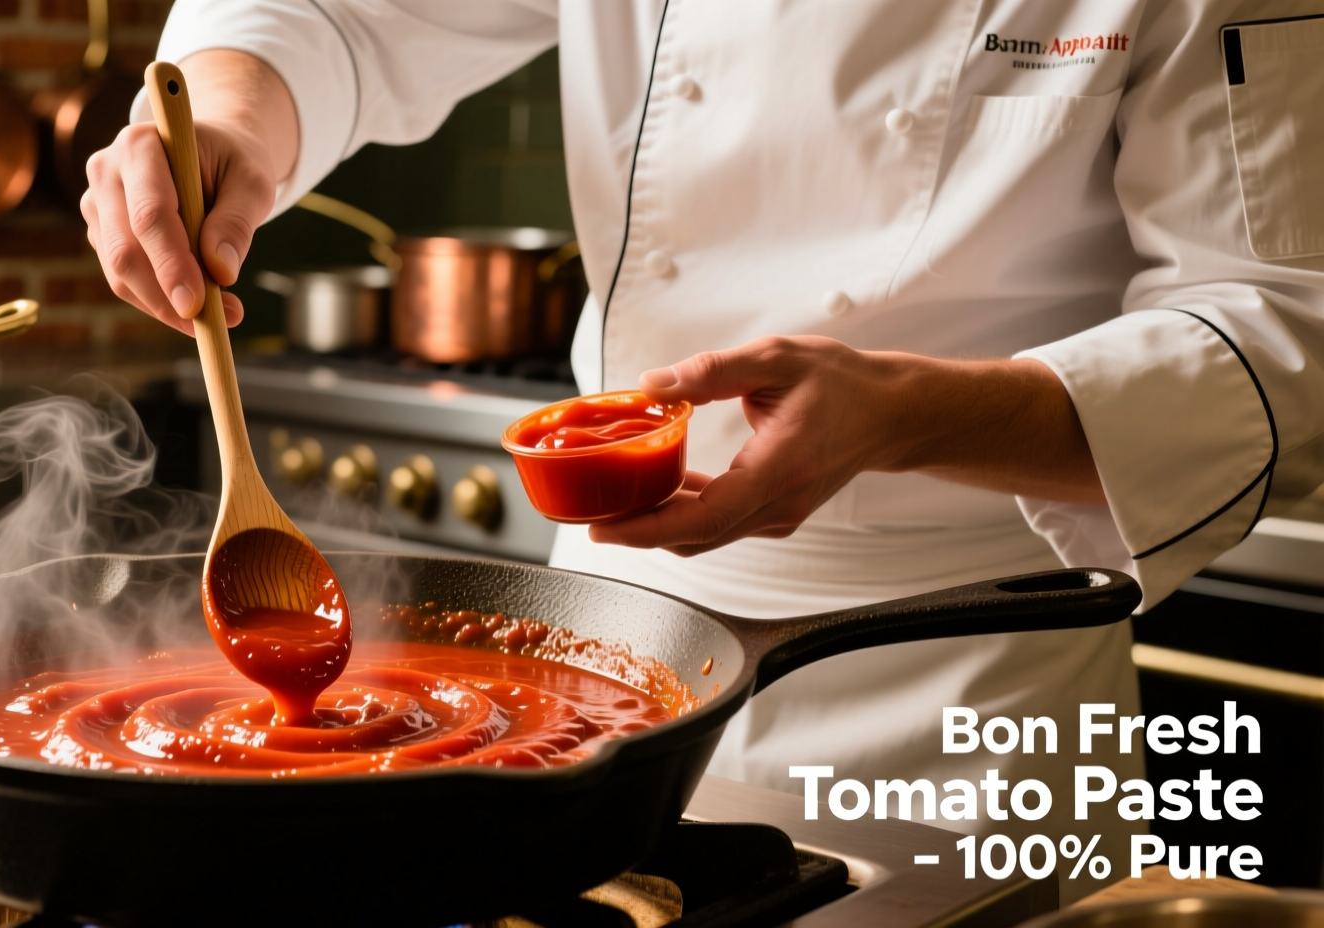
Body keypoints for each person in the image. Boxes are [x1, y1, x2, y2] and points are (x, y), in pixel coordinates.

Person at [81, 0, 1324, 897]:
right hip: (603, 667)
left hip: (964, 685)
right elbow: (338, 15)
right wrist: (231, 117)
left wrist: (912, 415)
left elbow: (1286, 331)